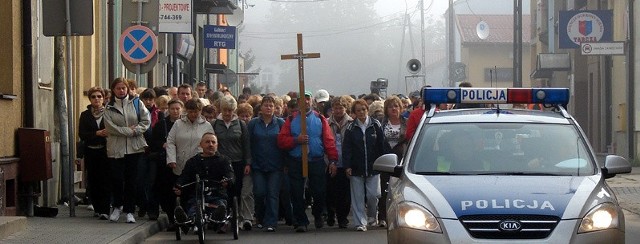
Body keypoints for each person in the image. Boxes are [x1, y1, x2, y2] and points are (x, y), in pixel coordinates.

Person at [277, 90, 339, 232]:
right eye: (301, 99)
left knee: (319, 191)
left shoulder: (320, 119)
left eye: (307, 99)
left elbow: (329, 141)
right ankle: (300, 221)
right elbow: (281, 140)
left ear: (311, 101)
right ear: (297, 102)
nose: (305, 101)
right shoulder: (291, 119)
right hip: (296, 160)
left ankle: (318, 214)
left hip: (315, 160)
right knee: (297, 192)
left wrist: (332, 160)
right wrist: (295, 140)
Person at [103, 78, 151, 223]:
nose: (121, 91)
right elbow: (110, 127)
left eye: (124, 88)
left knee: (132, 180)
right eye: (118, 88)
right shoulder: (109, 107)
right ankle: (117, 206)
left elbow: (146, 121)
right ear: (113, 90)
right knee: (117, 179)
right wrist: (127, 131)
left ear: (128, 89)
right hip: (116, 148)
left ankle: (129, 210)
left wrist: (134, 131)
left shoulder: (137, 103)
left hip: (134, 148)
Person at [173, 133, 235, 226]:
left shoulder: (223, 160)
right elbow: (184, 176)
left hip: (217, 194)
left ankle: (217, 216)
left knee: (220, 205)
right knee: (192, 207)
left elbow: (230, 175)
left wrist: (227, 181)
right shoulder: (193, 161)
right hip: (197, 196)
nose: (210, 144)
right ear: (201, 144)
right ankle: (186, 219)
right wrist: (178, 186)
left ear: (217, 145)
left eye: (213, 142)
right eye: (207, 142)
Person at [212, 95, 254, 230]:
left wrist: (247, 163)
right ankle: (223, 219)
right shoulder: (214, 124)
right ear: (221, 110)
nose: (227, 113)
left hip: (237, 162)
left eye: (230, 110)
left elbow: (246, 145)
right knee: (223, 192)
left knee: (237, 191)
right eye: (225, 110)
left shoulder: (240, 124)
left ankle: (238, 218)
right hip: (220, 163)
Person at [343, 99, 385, 232]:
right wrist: (347, 166)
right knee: (358, 197)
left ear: (367, 110)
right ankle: (360, 222)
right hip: (356, 168)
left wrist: (382, 162)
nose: (361, 112)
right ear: (354, 113)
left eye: (363, 109)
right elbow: (347, 148)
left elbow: (381, 145)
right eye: (358, 110)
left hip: (373, 167)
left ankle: (372, 215)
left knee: (373, 195)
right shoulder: (351, 128)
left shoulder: (375, 125)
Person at [248, 96, 286, 232]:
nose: (268, 108)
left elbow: (285, 144)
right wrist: (248, 162)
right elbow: (248, 144)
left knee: (272, 194)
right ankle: (260, 217)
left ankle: (271, 222)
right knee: (259, 192)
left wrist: (285, 163)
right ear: (261, 108)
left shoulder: (281, 123)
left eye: (271, 106)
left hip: (276, 165)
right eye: (266, 105)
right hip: (258, 164)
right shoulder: (253, 124)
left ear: (275, 108)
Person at [149, 99, 183, 229]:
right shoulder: (161, 124)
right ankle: (171, 218)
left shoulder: (184, 124)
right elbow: (153, 142)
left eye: (177, 109)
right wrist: (162, 144)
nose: (175, 111)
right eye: (172, 109)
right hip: (166, 163)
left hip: (182, 161)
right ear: (168, 109)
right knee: (167, 190)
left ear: (182, 109)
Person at [78, 87, 111, 220]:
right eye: (93, 97)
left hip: (106, 150)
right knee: (93, 180)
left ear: (103, 98)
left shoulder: (109, 113)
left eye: (99, 96)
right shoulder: (85, 115)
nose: (96, 99)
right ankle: (97, 208)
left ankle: (105, 209)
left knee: (105, 180)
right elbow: (82, 134)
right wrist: (96, 133)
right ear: (90, 99)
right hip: (91, 151)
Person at [378, 96, 407, 228]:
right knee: (385, 188)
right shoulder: (381, 123)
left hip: (402, 158)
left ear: (401, 108)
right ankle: (382, 217)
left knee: (400, 189)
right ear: (386, 109)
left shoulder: (406, 122)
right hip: (386, 159)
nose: (394, 109)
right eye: (390, 106)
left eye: (396, 106)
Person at [325, 96, 353, 229]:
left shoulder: (352, 123)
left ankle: (343, 218)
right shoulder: (326, 123)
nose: (338, 110)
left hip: (345, 162)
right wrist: (330, 161)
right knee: (330, 191)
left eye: (341, 108)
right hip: (330, 162)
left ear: (345, 109)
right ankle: (331, 213)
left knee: (345, 193)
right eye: (335, 108)